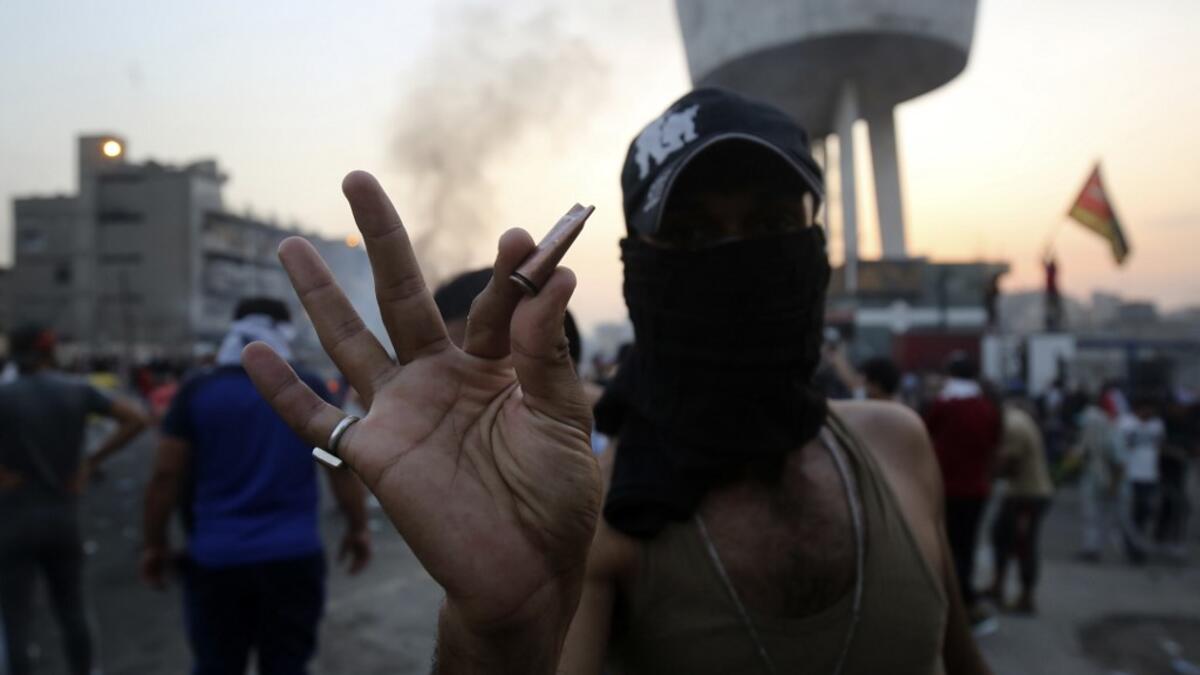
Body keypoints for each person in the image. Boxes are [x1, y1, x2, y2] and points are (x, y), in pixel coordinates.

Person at [239, 88, 990, 674]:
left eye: (768, 223)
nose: (736, 259)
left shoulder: (897, 446)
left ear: (815, 242)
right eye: (694, 234)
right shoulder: (594, 511)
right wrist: (498, 634)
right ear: (640, 270)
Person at [142, 298, 371, 674]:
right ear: (287, 330)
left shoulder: (198, 390)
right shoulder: (307, 388)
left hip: (216, 560)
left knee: (216, 664)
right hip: (292, 559)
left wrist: (154, 544)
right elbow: (336, 465)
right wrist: (358, 526)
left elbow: (166, 475)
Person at [0, 325, 149, 675]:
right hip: (62, 514)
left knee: (16, 617)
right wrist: (90, 461)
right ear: (50, 350)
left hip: (12, 518)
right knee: (72, 609)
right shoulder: (76, 391)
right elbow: (137, 418)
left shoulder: (5, 396)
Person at [923, 353, 1003, 629]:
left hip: (945, 488)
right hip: (976, 490)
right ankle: (964, 603)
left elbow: (925, 433)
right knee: (965, 547)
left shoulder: (944, 405)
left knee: (944, 547)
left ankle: (950, 605)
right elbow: (994, 446)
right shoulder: (987, 408)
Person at [984, 401, 1053, 613]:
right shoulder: (1015, 419)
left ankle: (1026, 597)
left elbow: (1008, 465)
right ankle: (998, 585)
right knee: (1000, 535)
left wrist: (982, 472)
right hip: (1019, 493)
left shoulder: (1013, 426)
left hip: (1029, 495)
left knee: (1024, 544)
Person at [1116, 395, 1165, 564]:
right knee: (1133, 512)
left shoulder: (1156, 425)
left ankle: (1137, 544)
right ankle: (1132, 546)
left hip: (1149, 474)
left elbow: (1158, 448)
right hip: (1130, 474)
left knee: (1144, 512)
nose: (1149, 412)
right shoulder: (1126, 423)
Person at [1076, 391, 1121, 562]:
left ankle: (1092, 547)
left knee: (1092, 513)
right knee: (1101, 514)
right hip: (1103, 473)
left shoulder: (1090, 419)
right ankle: (1095, 547)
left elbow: (1082, 449)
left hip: (1095, 473)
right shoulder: (1109, 424)